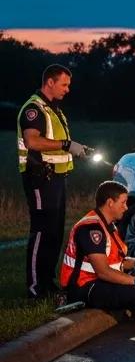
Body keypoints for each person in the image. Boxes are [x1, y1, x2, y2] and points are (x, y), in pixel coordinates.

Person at [18, 65, 93, 298]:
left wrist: (76, 149)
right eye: (64, 84)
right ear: (50, 82)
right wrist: (66, 145)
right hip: (41, 178)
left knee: (54, 232)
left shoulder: (53, 109)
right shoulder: (34, 109)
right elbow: (32, 141)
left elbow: (57, 142)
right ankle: (35, 288)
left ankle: (47, 284)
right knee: (42, 231)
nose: (67, 89)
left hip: (57, 178)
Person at [60, 181, 135, 326]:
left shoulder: (107, 224)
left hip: (98, 281)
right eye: (123, 203)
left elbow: (115, 260)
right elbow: (103, 272)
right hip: (84, 287)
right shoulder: (92, 229)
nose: (126, 207)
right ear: (110, 203)